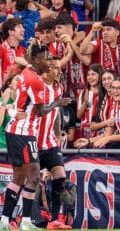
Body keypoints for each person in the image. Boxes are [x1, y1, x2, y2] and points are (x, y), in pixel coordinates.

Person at [0, 40, 70, 230]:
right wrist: (57, 103)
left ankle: (5, 221)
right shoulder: (35, 81)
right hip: (25, 132)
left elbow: (25, 61)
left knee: (20, 177)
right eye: (46, 59)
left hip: (20, 130)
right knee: (34, 177)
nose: (49, 63)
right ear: (38, 60)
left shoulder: (28, 72)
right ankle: (27, 222)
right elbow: (40, 111)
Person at [38, 55, 72, 229]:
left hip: (50, 141)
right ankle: (15, 218)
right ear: (47, 69)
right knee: (27, 183)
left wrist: (58, 134)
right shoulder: (37, 85)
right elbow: (38, 111)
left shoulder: (58, 87)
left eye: (60, 67)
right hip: (34, 141)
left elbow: (56, 113)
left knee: (60, 176)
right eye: (56, 68)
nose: (60, 71)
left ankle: (54, 220)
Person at [0, 68, 21, 162]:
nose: (19, 82)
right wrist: (4, 103)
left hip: (16, 145)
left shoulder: (25, 102)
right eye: (17, 79)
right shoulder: (0, 101)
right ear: (9, 84)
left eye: (21, 80)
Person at [0, 18, 27, 89]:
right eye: (19, 27)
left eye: (22, 27)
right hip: (5, 92)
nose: (23, 29)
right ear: (11, 32)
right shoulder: (2, 48)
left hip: (20, 92)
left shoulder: (24, 50)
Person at [76, 63, 102, 139]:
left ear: (100, 75)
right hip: (85, 131)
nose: (90, 77)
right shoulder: (83, 92)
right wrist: (85, 102)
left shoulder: (105, 92)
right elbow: (79, 115)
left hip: (100, 130)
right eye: (88, 75)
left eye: (93, 74)